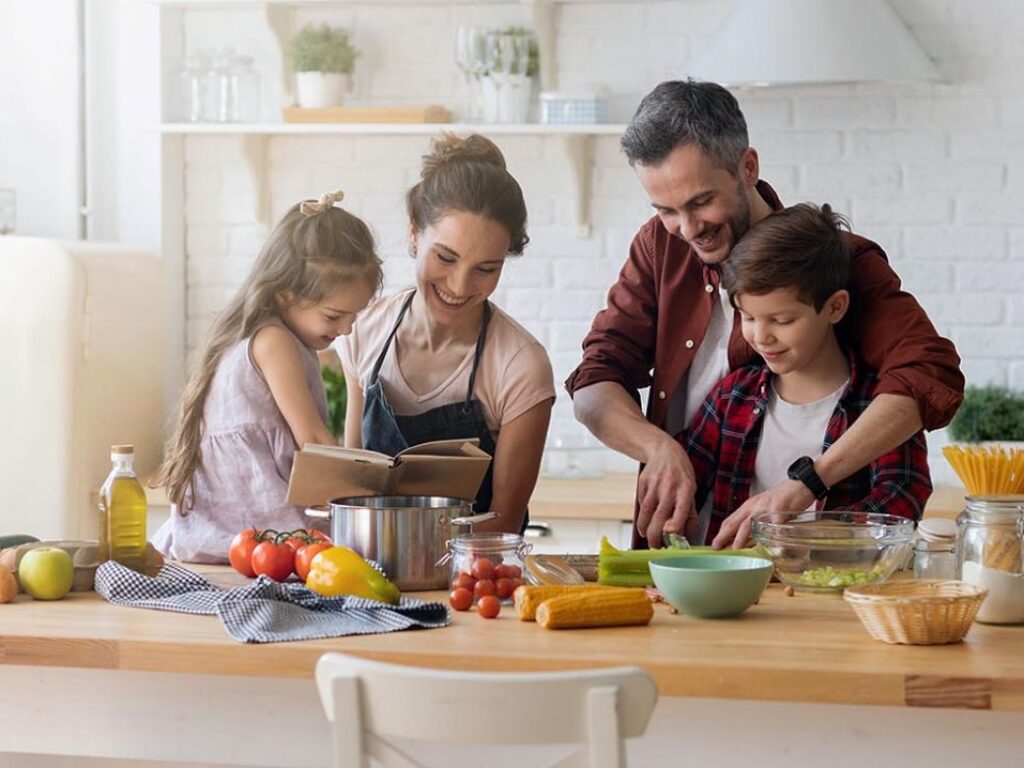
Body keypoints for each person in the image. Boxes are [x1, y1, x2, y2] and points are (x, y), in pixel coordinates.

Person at [566, 80, 963, 550]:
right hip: (693, 553)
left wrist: (808, 486)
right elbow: (594, 382)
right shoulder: (659, 246)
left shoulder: (835, 260)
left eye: (700, 202)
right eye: (666, 210)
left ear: (748, 167)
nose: (687, 229)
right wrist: (658, 448)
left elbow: (928, 373)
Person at [337, 134, 555, 535]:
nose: (459, 285)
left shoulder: (519, 364)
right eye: (445, 257)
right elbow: (354, 489)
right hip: (369, 573)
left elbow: (503, 523)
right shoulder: (363, 330)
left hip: (474, 580)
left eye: (486, 269)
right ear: (415, 232)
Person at [684, 203, 932, 547]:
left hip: (834, 590)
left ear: (835, 307)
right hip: (734, 590)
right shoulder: (731, 397)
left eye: (782, 320)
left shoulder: (879, 405)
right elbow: (687, 481)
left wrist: (805, 537)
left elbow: (903, 498)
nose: (761, 336)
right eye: (749, 317)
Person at [153, 191, 383, 562]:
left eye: (354, 316)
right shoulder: (274, 341)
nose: (346, 329)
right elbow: (312, 440)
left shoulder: (267, 334)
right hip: (256, 531)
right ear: (286, 295)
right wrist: (363, 496)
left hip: (229, 532)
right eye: (334, 316)